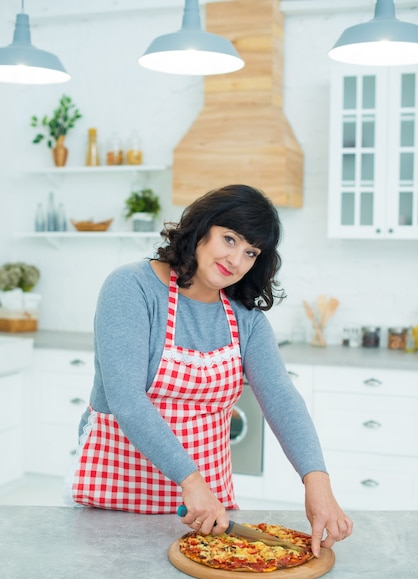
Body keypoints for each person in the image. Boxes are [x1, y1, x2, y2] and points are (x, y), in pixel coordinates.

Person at [70, 184, 352, 557]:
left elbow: (282, 399)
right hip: (116, 504)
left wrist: (317, 483)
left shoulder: (244, 316)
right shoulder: (131, 287)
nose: (236, 260)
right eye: (229, 239)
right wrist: (190, 480)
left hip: (208, 515)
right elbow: (127, 399)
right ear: (201, 228)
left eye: (251, 252)